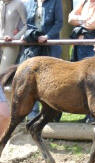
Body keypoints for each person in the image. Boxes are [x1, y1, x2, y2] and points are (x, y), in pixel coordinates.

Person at [68, 0, 95, 124]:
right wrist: (85, 20)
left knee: (94, 81)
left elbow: (94, 24)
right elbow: (70, 18)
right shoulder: (84, 2)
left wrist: (79, 20)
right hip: (81, 46)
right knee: (82, 82)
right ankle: (88, 113)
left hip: (94, 46)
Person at [21, 0, 63, 121]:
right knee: (31, 79)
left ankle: (51, 114)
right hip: (33, 44)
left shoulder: (56, 2)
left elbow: (58, 23)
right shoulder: (29, 3)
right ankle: (32, 114)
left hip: (50, 45)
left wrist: (47, 36)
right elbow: (27, 23)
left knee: (52, 81)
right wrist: (29, 35)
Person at [0, 0, 27, 130]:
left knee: (2, 77)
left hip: (11, 44)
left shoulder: (19, 4)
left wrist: (15, 37)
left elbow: (26, 26)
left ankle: (9, 115)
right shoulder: (1, 4)